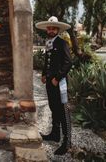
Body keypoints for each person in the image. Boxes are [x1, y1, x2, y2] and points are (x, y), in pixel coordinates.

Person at [35, 16, 72, 155]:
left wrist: (57, 77)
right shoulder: (49, 43)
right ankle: (55, 134)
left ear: (57, 30)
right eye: (49, 28)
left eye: (53, 28)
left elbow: (68, 63)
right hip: (50, 83)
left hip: (59, 82)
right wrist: (44, 74)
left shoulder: (62, 43)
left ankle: (67, 143)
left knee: (63, 111)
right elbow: (47, 62)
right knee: (53, 108)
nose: (50, 30)